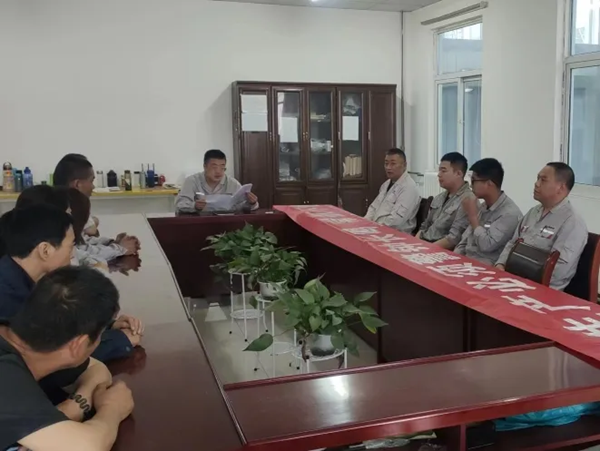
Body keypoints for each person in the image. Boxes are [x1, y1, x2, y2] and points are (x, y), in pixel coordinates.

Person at [0, 266, 134, 451]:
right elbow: (87, 446)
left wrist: (73, 407)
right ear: (78, 345)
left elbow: (97, 370)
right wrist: (112, 409)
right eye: (100, 335)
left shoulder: (22, 336)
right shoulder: (6, 377)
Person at [0, 205, 143, 361]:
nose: (73, 255)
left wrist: (106, 325)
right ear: (45, 250)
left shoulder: (24, 277)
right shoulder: (8, 299)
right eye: (71, 247)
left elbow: (57, 327)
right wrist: (119, 340)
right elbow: (46, 359)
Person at [495, 162, 588, 291]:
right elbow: (512, 243)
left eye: (543, 180)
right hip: (513, 281)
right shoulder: (533, 212)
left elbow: (559, 270)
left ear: (560, 187)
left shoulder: (572, 222)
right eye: (537, 178)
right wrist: (500, 265)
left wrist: (521, 281)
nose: (536, 184)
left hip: (540, 290)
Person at [53, 154, 139, 256]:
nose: (93, 187)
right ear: (77, 184)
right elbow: (79, 254)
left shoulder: (67, 205)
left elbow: (82, 241)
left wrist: (111, 243)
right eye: (91, 181)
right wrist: (120, 249)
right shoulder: (61, 213)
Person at [455, 158, 522, 266]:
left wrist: (473, 218)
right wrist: (453, 258)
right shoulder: (484, 206)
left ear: (489, 183)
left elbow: (486, 245)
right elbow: (465, 240)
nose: (471, 185)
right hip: (466, 262)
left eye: (474, 181)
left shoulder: (509, 214)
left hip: (485, 266)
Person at [417, 152, 473, 250]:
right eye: (439, 171)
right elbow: (425, 226)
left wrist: (426, 250)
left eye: (443, 171)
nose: (439, 175)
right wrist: (414, 244)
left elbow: (453, 239)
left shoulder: (468, 200)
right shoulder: (439, 197)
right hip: (424, 244)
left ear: (458, 173)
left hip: (440, 250)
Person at [176, 149, 259, 213]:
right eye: (214, 167)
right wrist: (194, 206)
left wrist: (252, 203)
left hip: (224, 223)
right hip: (198, 222)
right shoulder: (192, 181)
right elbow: (180, 204)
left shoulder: (232, 183)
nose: (218, 171)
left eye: (222, 167)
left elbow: (243, 206)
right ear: (205, 166)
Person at [365, 148, 420, 234]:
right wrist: (365, 223)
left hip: (396, 234)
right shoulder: (386, 184)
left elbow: (396, 222)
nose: (388, 167)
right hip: (377, 229)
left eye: (393, 164)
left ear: (404, 165)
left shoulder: (409, 188)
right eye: (386, 163)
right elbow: (373, 208)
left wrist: (374, 229)